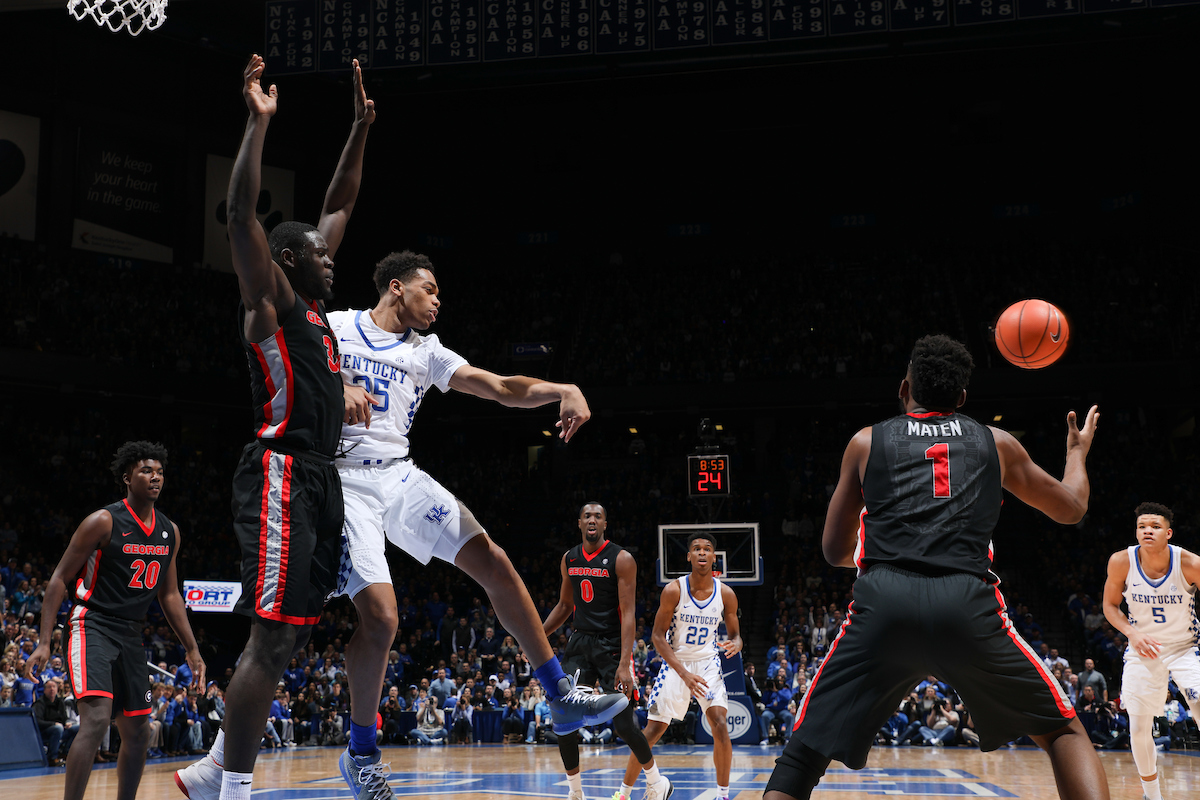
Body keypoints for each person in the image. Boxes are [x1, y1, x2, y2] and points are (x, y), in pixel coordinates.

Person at [324, 245, 627, 794]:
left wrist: (561, 389)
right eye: (430, 289)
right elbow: (289, 366)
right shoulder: (335, 326)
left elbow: (500, 387)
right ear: (397, 287)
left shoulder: (426, 351)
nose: (438, 300)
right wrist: (335, 386)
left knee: (493, 560)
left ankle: (558, 694)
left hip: (397, 473)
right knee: (383, 619)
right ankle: (361, 753)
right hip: (342, 481)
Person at [764, 334, 1109, 800]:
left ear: (904, 389)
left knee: (805, 751)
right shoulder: (997, 443)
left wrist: (875, 556)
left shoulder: (865, 442)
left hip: (884, 602)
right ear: (963, 399)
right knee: (1063, 731)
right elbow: (1071, 508)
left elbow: (832, 550)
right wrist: (1076, 453)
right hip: (966, 603)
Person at [176, 55, 374, 800]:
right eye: (318, 253)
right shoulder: (274, 301)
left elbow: (342, 200)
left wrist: (358, 127)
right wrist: (256, 125)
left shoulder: (317, 308)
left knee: (288, 635)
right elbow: (237, 218)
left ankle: (209, 772)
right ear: (288, 261)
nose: (333, 256)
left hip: (322, 477)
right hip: (282, 472)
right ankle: (234, 790)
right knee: (268, 635)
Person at [25, 441, 204, 800]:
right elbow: (59, 578)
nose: (156, 478)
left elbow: (169, 595)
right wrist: (44, 641)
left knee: (138, 729)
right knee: (95, 720)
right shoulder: (103, 520)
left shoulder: (170, 531)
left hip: (130, 633)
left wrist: (192, 649)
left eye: (160, 472)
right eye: (146, 471)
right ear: (127, 478)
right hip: (91, 623)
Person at [543, 503, 670, 800]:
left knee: (625, 724)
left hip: (612, 646)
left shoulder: (621, 559)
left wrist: (625, 663)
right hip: (580, 642)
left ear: (605, 524)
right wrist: (536, 635)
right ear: (579, 523)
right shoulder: (569, 558)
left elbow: (628, 614)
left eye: (597, 516)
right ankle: (575, 793)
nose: (592, 520)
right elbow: (564, 606)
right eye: (587, 516)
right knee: (564, 718)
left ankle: (656, 782)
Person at [619, 531, 742, 800]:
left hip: (708, 665)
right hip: (677, 666)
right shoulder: (674, 589)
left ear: (713, 556)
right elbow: (656, 637)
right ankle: (623, 793)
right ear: (688, 556)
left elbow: (735, 634)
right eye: (696, 548)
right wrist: (684, 674)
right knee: (652, 732)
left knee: (720, 723)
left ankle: (723, 795)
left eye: (706, 549)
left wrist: (738, 643)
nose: (701, 553)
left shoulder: (727, 594)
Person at [1101, 502, 1200, 800]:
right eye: (1142, 526)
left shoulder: (1190, 563)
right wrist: (1133, 633)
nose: (1148, 530)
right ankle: (1152, 795)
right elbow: (1109, 605)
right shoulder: (1121, 561)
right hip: (1143, 648)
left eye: (1155, 526)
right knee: (1139, 725)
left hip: (1184, 647)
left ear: (1168, 533)